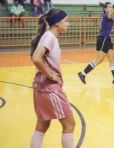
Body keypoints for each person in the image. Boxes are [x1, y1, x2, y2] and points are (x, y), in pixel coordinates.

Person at [30, 9, 75, 148]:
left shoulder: (48, 36)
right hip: (49, 89)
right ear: (57, 22)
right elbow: (36, 58)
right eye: (66, 20)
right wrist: (50, 75)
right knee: (69, 123)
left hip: (41, 88)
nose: (68, 24)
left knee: (43, 124)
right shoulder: (49, 37)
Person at [77, 2, 114, 86]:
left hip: (107, 39)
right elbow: (113, 13)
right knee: (99, 60)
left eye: (111, 7)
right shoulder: (105, 16)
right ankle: (83, 73)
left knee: (113, 59)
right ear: (105, 9)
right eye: (109, 7)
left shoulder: (108, 15)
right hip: (103, 38)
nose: (111, 8)